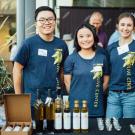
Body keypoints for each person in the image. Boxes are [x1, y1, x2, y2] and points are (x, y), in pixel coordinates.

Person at [13, 6, 69, 117]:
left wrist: (62, 93)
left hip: (55, 101)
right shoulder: (28, 44)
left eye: (50, 19)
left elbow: (63, 71)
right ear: (36, 23)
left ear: (55, 21)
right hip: (32, 100)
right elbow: (17, 69)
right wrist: (19, 98)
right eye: (42, 20)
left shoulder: (62, 45)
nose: (46, 22)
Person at [64, 23, 109, 118]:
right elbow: (67, 83)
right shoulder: (71, 59)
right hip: (76, 109)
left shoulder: (102, 58)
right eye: (81, 36)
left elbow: (106, 82)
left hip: (96, 108)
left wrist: (95, 94)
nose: (85, 39)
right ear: (77, 39)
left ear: (94, 37)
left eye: (88, 36)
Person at [106, 12, 135, 118]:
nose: (125, 28)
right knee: (111, 128)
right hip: (113, 95)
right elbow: (107, 72)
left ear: (133, 27)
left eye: (129, 25)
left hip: (131, 96)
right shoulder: (110, 48)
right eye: (122, 24)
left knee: (130, 129)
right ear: (117, 26)